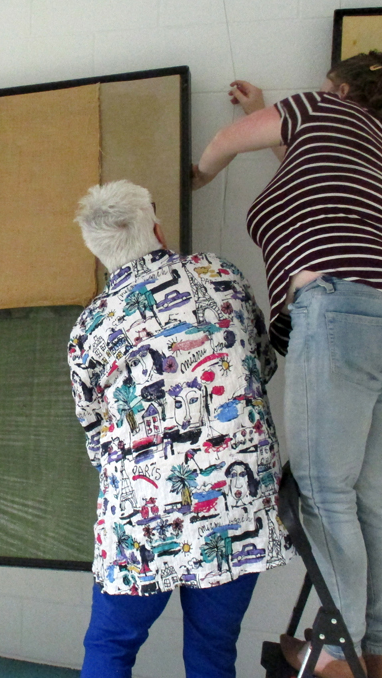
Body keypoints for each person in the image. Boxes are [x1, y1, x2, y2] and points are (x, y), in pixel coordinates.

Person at [193, 51, 382, 678]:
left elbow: (226, 143)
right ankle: (378, 653)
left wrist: (192, 176)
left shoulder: (317, 109)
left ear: (338, 88)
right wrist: (260, 110)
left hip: (342, 309)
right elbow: (308, 174)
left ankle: (338, 656)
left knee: (324, 495)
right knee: (375, 496)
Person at [68, 180, 290, 678]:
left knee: (110, 645)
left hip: (140, 520)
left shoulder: (90, 327)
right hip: (235, 511)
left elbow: (95, 430)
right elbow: (260, 364)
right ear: (159, 229)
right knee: (213, 648)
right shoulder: (222, 276)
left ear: (100, 254)